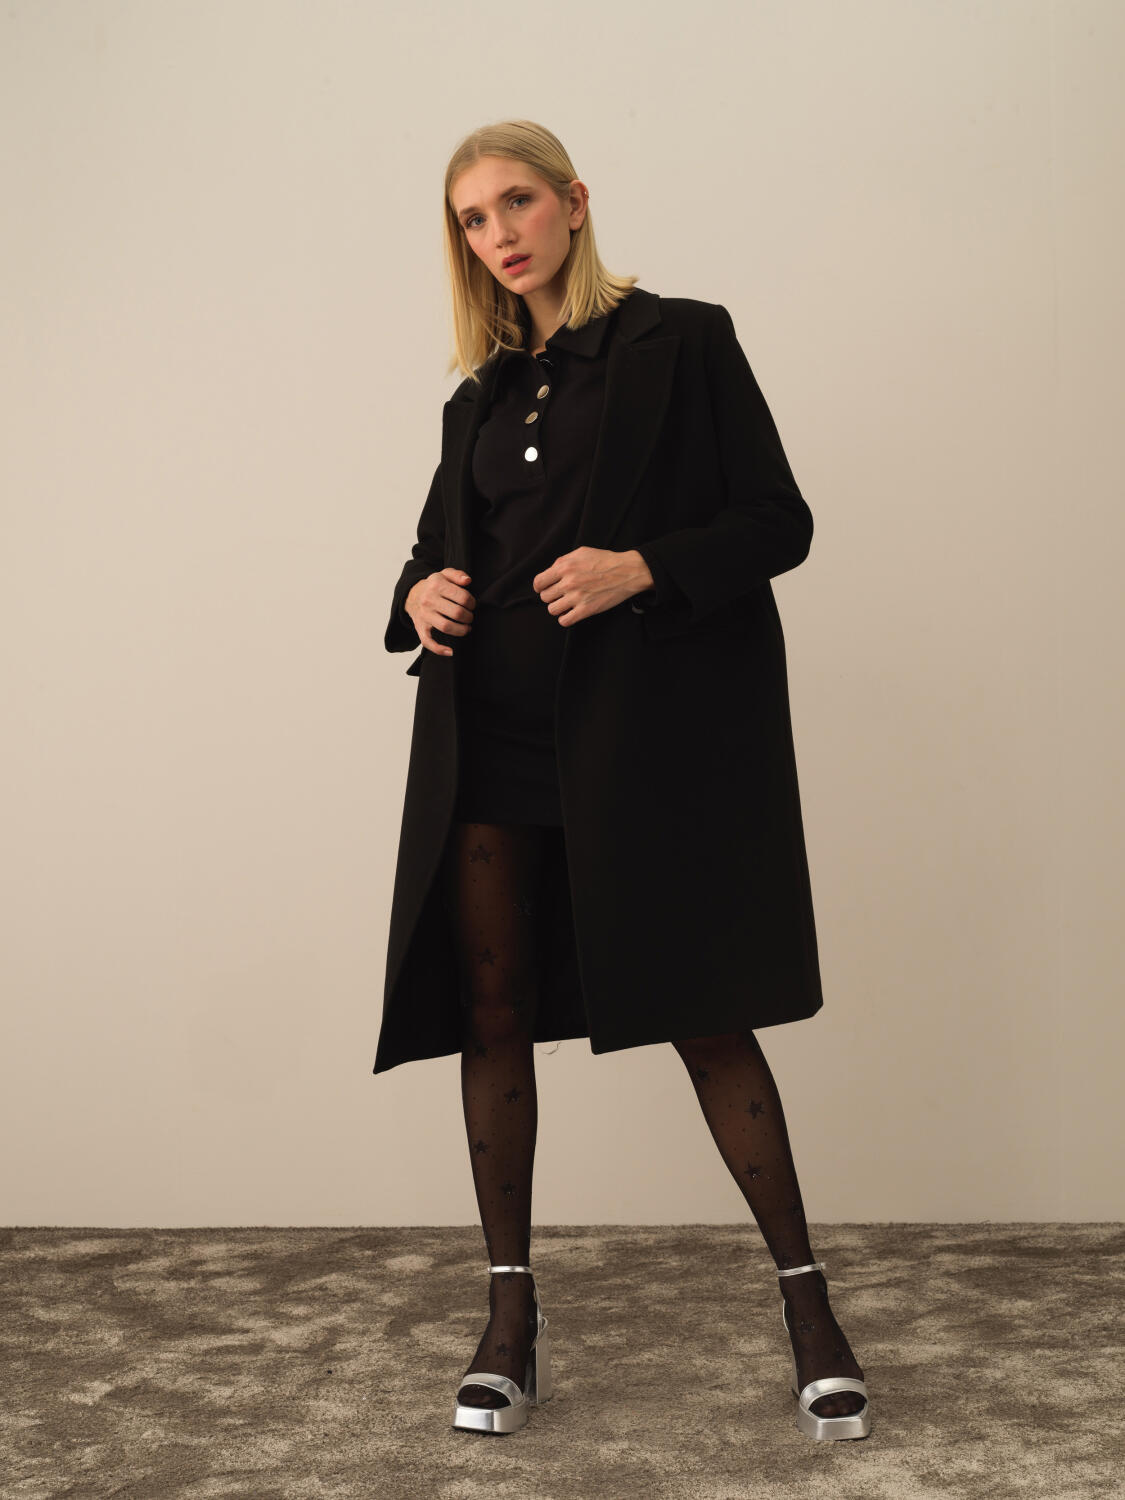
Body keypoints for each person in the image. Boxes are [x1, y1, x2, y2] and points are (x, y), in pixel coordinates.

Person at [375, 118, 871, 1442]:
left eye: (516, 202)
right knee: (490, 1015)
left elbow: (778, 521)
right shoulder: (478, 397)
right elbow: (434, 551)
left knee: (704, 1010)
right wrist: (415, 592)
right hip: (487, 736)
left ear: (574, 201)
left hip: (633, 743)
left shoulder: (682, 343)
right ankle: (509, 1321)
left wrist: (640, 569)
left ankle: (809, 1308)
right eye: (473, 218)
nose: (499, 234)